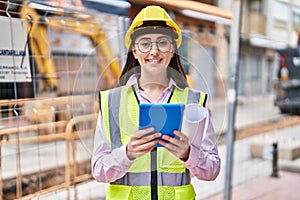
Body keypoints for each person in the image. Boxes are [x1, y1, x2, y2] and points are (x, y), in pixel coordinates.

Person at [91, 5, 220, 200]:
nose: (154, 51)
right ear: (134, 51)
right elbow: (98, 169)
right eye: (145, 43)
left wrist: (188, 154)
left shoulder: (194, 102)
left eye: (162, 42)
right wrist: (126, 153)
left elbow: (212, 170)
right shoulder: (112, 102)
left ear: (172, 50)